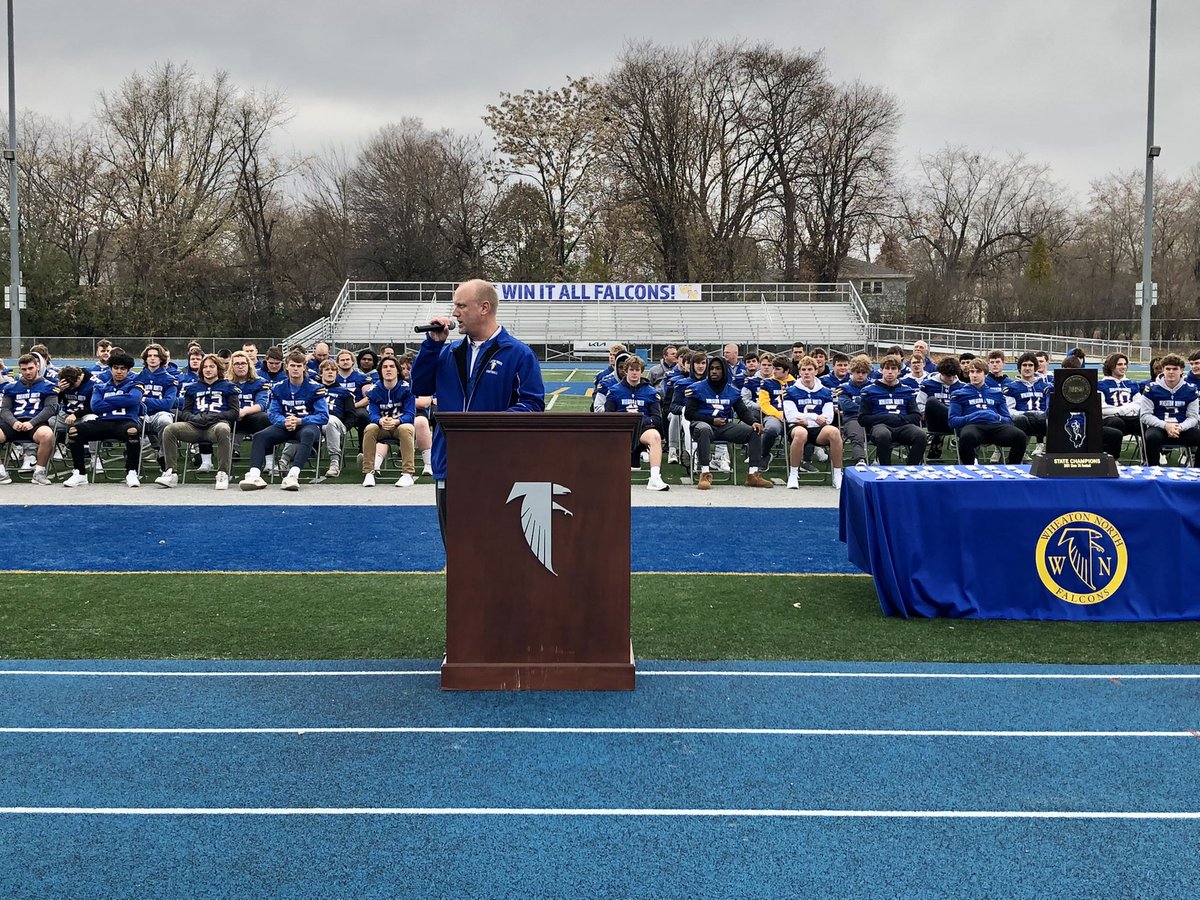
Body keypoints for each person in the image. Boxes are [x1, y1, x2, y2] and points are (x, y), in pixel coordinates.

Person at [411, 279, 546, 540]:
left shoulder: (518, 354)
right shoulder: (447, 352)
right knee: (457, 550)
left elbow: (532, 406)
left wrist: (485, 425)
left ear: (484, 308)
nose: (454, 313)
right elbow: (419, 386)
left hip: (497, 466)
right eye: (454, 306)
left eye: (461, 305)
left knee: (496, 549)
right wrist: (432, 345)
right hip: (451, 463)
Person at [240, 351, 329, 492]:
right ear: (286, 366)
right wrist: (285, 421)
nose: (295, 369)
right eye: (292, 365)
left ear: (304, 367)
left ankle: (293, 475)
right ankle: (254, 475)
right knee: (259, 436)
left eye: (298, 365)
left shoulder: (315, 388)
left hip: (306, 426)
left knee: (308, 434)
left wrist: (300, 420)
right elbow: (273, 413)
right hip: (285, 425)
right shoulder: (278, 387)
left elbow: (323, 416)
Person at [683, 354, 772, 490]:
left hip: (724, 427)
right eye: (711, 368)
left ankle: (753, 474)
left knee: (754, 431)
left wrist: (753, 422)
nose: (714, 371)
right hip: (702, 426)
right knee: (705, 429)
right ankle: (705, 473)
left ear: (724, 370)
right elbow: (689, 413)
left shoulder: (732, 391)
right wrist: (711, 420)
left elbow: (742, 411)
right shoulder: (697, 388)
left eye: (718, 368)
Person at [155, 354, 239, 490]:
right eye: (205, 367)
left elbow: (234, 412)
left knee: (223, 428)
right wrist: (193, 418)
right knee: (170, 429)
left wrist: (216, 417)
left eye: (212, 366)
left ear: (219, 368)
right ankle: (171, 472)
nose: (208, 369)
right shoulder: (193, 388)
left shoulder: (229, 387)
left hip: (215, 427)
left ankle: (223, 472)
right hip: (194, 427)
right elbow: (185, 411)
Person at [64, 351, 144, 488]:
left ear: (128, 370)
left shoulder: (135, 384)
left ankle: (132, 471)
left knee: (132, 430)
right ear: (110, 368)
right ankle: (80, 473)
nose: (119, 371)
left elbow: (134, 399)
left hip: (125, 422)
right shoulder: (100, 386)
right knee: (74, 430)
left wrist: (107, 399)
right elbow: (95, 406)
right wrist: (123, 399)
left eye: (123, 368)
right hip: (104, 422)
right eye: (116, 368)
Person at [605, 355, 669, 491]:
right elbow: (608, 416)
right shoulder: (614, 391)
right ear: (625, 371)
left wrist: (640, 419)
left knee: (655, 437)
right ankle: (608, 476)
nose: (634, 372)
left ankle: (655, 478)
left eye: (637, 370)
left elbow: (657, 418)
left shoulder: (651, 392)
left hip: (642, 429)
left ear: (641, 371)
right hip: (621, 430)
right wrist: (626, 418)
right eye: (631, 369)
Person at [948, 358, 1028, 465]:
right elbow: (953, 421)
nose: (974, 375)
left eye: (978, 371)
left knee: (1020, 436)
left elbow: (1008, 420)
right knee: (966, 436)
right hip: (973, 427)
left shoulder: (997, 394)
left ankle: (1013, 467)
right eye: (972, 372)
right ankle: (969, 468)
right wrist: (974, 416)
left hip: (995, 426)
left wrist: (996, 417)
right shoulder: (958, 394)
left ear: (985, 374)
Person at [782, 356, 844, 489]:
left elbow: (828, 417)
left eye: (810, 369)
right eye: (803, 369)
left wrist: (808, 418)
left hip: (818, 429)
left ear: (816, 371)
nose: (806, 372)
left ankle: (838, 474)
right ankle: (793, 474)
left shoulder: (826, 392)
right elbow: (791, 415)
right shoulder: (790, 391)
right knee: (800, 433)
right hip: (798, 427)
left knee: (834, 432)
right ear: (799, 372)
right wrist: (815, 417)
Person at [0, 353, 59, 485]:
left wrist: (31, 423)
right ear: (19, 369)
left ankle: (39, 472)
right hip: (13, 423)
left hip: (36, 422)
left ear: (37, 366)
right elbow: (4, 410)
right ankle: (1, 473)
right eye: (24, 369)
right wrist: (13, 422)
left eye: (30, 368)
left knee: (47, 435)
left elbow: (50, 408)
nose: (28, 372)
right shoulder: (11, 387)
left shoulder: (49, 386)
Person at [858, 356, 927, 465]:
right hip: (880, 427)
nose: (890, 372)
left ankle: (911, 468)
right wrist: (887, 418)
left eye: (893, 368)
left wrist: (899, 419)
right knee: (883, 434)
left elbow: (915, 416)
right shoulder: (869, 391)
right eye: (887, 368)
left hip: (903, 426)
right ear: (881, 370)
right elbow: (863, 419)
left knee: (921, 435)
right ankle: (885, 469)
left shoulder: (907, 391)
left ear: (899, 371)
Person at [361, 356, 416, 487]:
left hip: (399, 427)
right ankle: (369, 472)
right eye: (385, 367)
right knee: (370, 428)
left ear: (398, 370)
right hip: (382, 427)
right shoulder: (374, 390)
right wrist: (380, 420)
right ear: (380, 371)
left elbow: (410, 415)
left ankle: (408, 473)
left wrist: (397, 421)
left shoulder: (407, 389)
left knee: (406, 428)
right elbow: (372, 413)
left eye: (392, 366)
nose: (388, 369)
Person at [1138, 353, 1200, 466]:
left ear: (1181, 370)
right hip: (1159, 429)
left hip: (1181, 429)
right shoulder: (1151, 389)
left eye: (1175, 369)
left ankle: (1197, 472)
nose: (1171, 372)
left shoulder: (1190, 390)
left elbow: (1193, 416)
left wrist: (1181, 427)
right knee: (1151, 437)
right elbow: (1145, 415)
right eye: (1168, 368)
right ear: (1163, 370)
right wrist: (1166, 425)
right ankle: (1153, 469)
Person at [136, 343, 180, 471]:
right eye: (149, 356)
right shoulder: (137, 378)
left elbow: (167, 404)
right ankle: (132, 462)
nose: (152, 358)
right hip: (140, 414)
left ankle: (163, 457)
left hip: (160, 414)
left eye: (156, 355)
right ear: (145, 359)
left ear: (161, 358)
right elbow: (132, 401)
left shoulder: (170, 379)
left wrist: (144, 400)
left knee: (165, 421)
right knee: (128, 422)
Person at [1003, 351, 1050, 458]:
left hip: (1042, 419)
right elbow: (1009, 410)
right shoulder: (1011, 387)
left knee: (1054, 421)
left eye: (1030, 365)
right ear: (1019, 368)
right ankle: (1020, 453)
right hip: (1023, 420)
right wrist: (1024, 414)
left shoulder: (1045, 385)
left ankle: (1053, 456)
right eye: (1024, 365)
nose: (1027, 368)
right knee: (1020, 420)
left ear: (1035, 367)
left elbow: (1051, 406)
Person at [916, 357, 962, 458]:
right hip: (933, 422)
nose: (950, 378)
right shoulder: (928, 384)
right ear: (941, 373)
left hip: (953, 424)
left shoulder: (962, 387)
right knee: (932, 401)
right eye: (947, 375)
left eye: (953, 375)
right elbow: (919, 404)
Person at [1098, 352, 1141, 459]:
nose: (1123, 367)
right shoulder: (1101, 385)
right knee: (1117, 422)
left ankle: (1149, 458)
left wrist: (1123, 410)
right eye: (1120, 364)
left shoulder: (1131, 384)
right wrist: (1121, 411)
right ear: (1111, 366)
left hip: (1129, 417)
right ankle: (1112, 458)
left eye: (1125, 364)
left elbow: (1140, 404)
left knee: (1143, 421)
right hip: (1110, 418)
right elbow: (1101, 407)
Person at [834, 355, 872, 467]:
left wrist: (858, 402)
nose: (860, 375)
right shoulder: (843, 387)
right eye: (857, 372)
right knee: (857, 434)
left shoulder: (873, 387)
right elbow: (846, 406)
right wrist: (865, 405)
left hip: (871, 418)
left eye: (863, 372)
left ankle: (880, 459)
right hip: (852, 419)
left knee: (884, 431)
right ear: (852, 372)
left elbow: (876, 405)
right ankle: (860, 459)